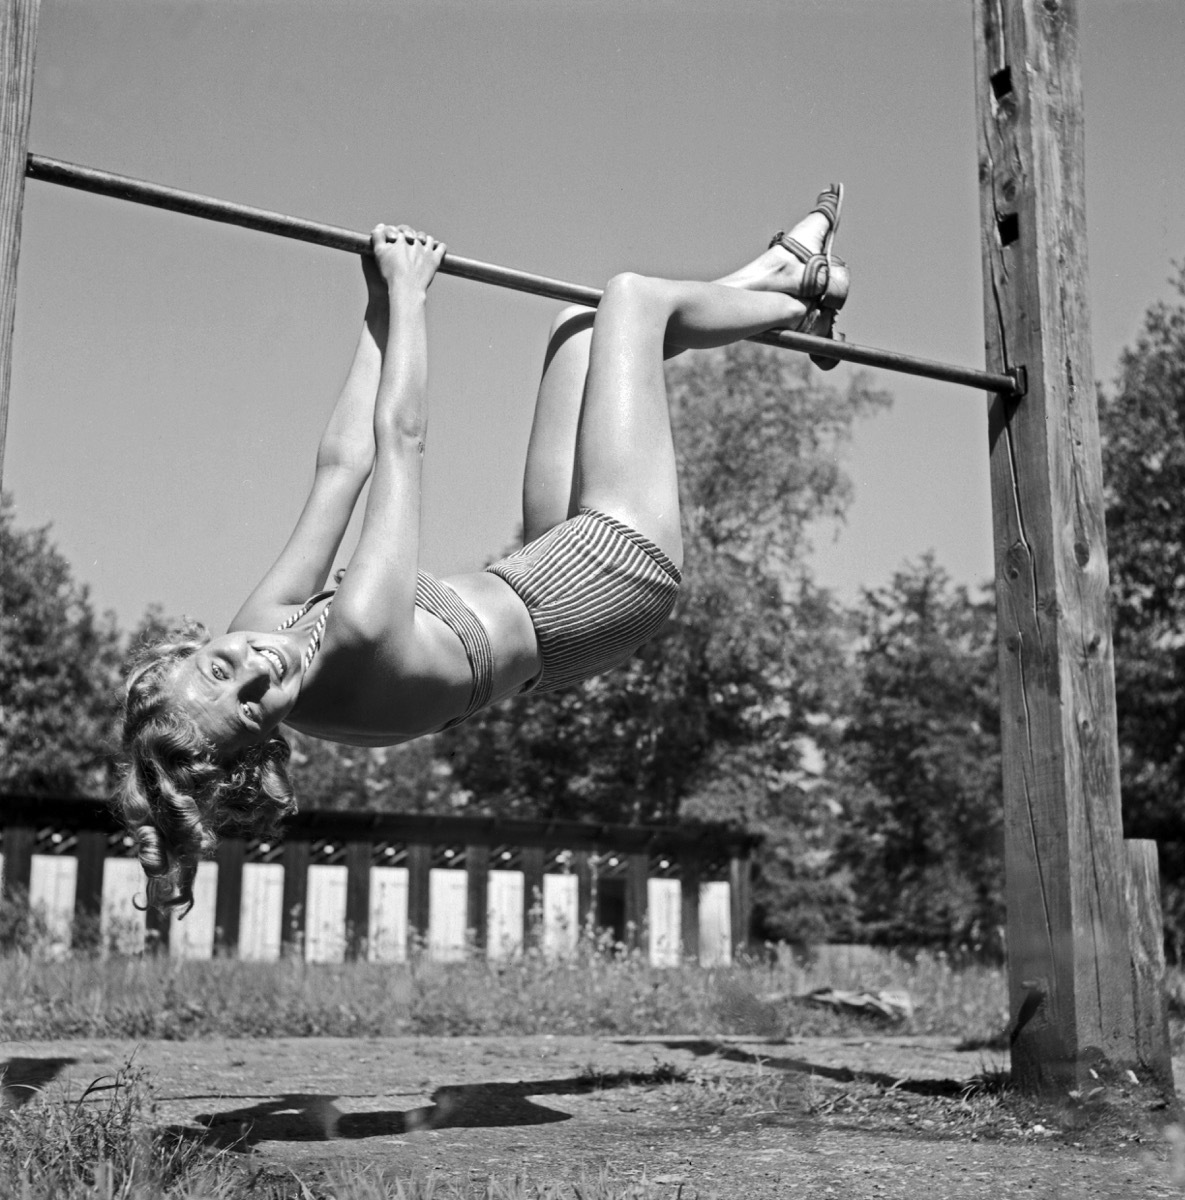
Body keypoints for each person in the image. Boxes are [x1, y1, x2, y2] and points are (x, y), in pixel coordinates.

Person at [115, 185, 849, 911]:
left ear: (191, 646)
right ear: (256, 749)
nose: (256, 669)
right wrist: (409, 295)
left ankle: (779, 274)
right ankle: (805, 293)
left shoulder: (263, 627)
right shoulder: (358, 635)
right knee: (635, 301)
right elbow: (401, 441)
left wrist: (372, 310)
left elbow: (342, 466)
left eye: (221, 664)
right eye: (249, 708)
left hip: (542, 562)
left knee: (581, 330)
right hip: (608, 582)